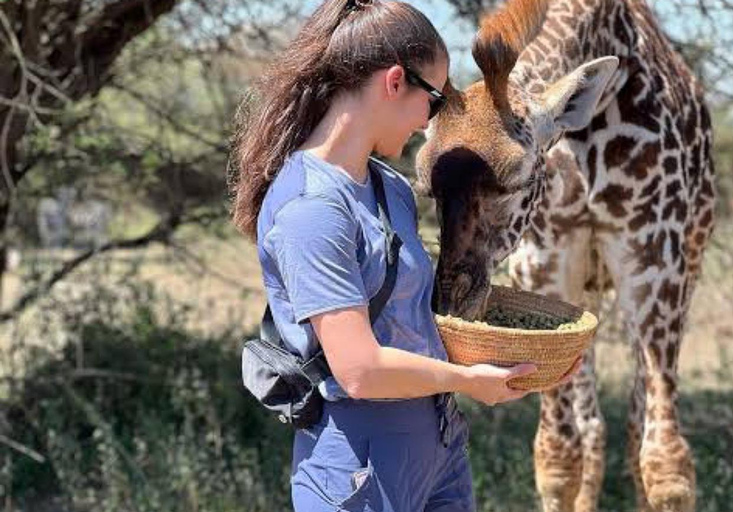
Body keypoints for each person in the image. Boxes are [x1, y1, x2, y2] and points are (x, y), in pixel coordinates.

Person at [229, 1, 580, 510]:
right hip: (360, 464)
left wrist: (522, 366)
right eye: (435, 101)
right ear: (395, 82)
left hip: (439, 445)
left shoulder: (389, 189)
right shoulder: (312, 209)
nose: (427, 123)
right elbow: (360, 370)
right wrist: (469, 382)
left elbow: (407, 324)